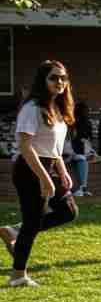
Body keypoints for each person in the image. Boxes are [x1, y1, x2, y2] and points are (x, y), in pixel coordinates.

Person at [1, 61, 78, 288]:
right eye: (54, 78)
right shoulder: (32, 108)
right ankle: (18, 276)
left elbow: (55, 147)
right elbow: (26, 147)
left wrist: (62, 171)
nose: (60, 82)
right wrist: (45, 178)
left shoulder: (58, 109)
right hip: (30, 168)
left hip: (51, 165)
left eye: (63, 78)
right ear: (42, 81)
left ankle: (14, 230)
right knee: (33, 220)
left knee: (68, 211)